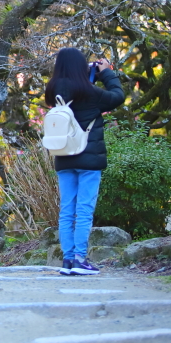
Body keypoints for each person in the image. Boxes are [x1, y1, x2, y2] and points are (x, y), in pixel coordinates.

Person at [45, 48, 125, 276]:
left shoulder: (52, 91)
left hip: (64, 156)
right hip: (89, 159)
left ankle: (68, 260)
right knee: (84, 209)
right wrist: (106, 73)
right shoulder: (90, 92)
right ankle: (81, 259)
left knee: (67, 210)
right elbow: (117, 96)